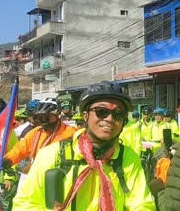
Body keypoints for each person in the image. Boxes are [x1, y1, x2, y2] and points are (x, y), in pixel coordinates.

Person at [13, 80, 154, 210]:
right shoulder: (51, 154)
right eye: (101, 112)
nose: (110, 119)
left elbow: (142, 204)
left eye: (118, 113)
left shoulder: (127, 157)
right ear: (85, 116)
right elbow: (26, 203)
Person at [2, 98, 77, 173]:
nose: (43, 120)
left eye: (47, 117)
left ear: (57, 115)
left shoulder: (71, 132)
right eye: (39, 118)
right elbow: (20, 149)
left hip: (62, 175)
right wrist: (9, 159)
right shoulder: (36, 133)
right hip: (37, 175)